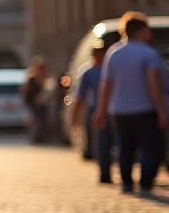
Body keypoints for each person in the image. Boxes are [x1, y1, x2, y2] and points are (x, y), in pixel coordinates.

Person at [95, 11, 165, 195]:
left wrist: (101, 110)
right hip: (144, 108)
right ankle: (145, 182)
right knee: (150, 147)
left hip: (119, 110)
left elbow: (107, 84)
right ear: (141, 31)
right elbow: (154, 84)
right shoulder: (148, 53)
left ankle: (127, 182)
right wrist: (161, 110)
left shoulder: (114, 53)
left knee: (125, 147)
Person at [71, 43, 115, 183]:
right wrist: (76, 118)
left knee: (105, 142)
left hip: (108, 109)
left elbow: (80, 98)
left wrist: (75, 118)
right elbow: (81, 97)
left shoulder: (92, 72)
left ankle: (107, 172)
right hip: (102, 110)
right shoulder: (90, 72)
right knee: (103, 142)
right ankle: (105, 172)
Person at [22, 57, 51, 144]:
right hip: (33, 104)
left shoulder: (46, 78)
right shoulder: (31, 79)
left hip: (43, 104)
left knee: (43, 121)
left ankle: (42, 137)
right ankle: (35, 138)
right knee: (34, 121)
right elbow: (26, 92)